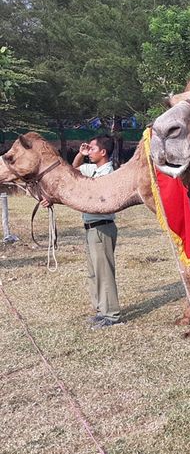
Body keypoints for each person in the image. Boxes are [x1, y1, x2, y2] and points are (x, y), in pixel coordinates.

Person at [44, 135, 123, 328]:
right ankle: (100, 309)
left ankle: (111, 314)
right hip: (91, 229)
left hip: (102, 227)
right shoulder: (92, 169)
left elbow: (89, 196)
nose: (89, 151)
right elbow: (72, 171)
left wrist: (57, 199)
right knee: (94, 272)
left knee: (104, 272)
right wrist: (80, 154)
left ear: (103, 152)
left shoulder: (107, 173)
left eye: (92, 148)